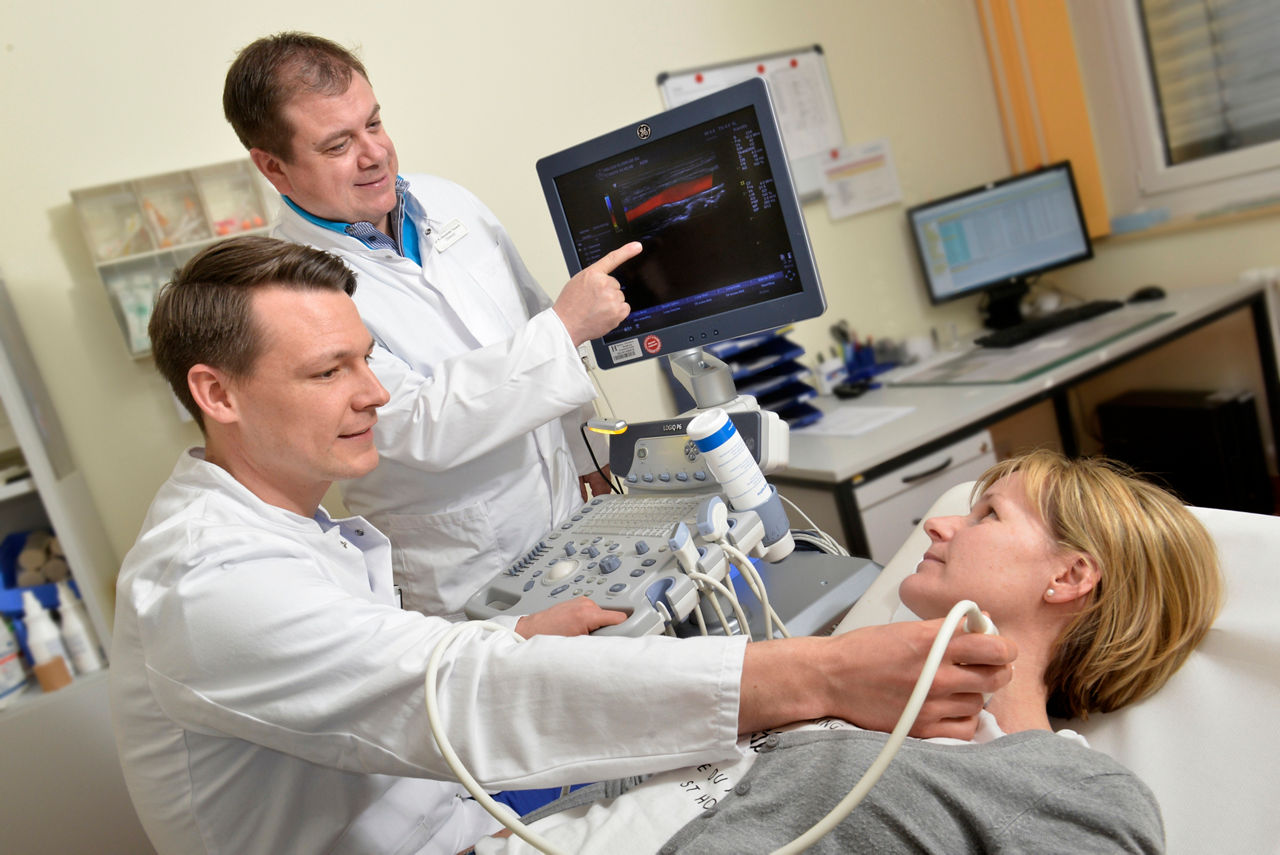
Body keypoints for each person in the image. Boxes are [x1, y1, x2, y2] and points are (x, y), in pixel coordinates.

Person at [109, 235, 1014, 854]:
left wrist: (513, 639)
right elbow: (453, 694)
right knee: (812, 779)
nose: (376, 393)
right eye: (328, 371)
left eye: (367, 358)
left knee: (784, 771)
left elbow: (412, 670)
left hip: (460, 816)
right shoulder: (205, 579)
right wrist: (818, 674)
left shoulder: (292, 521)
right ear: (216, 394)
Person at [474, 450, 1223, 853]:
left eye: (987, 514)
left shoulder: (1072, 790)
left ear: (1069, 575)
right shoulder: (836, 687)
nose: (938, 527)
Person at [222, 32, 635, 618]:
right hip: (465, 564)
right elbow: (417, 423)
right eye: (338, 144)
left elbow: (535, 322)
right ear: (274, 168)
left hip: (572, 515)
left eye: (374, 123)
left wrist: (589, 456)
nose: (374, 154)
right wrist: (565, 329)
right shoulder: (287, 290)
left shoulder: (450, 204)